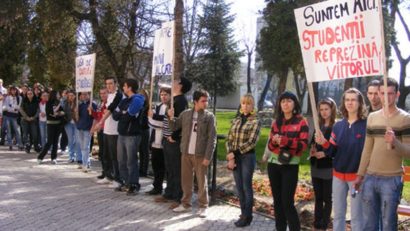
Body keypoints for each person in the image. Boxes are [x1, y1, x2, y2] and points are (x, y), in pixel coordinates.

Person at [353, 78, 410, 230]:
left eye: (391, 93)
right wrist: (360, 174)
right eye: (383, 93)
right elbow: (367, 148)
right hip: (370, 177)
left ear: (397, 94)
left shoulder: (405, 118)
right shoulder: (372, 117)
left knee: (388, 224)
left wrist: (394, 142)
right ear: (379, 93)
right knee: (369, 224)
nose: (387, 97)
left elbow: (408, 152)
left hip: (392, 179)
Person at [316, 88, 367, 231]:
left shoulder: (366, 125)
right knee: (338, 214)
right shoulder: (338, 126)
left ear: (359, 103)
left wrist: (361, 174)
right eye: (347, 100)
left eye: (353, 100)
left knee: (357, 216)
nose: (350, 103)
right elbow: (332, 151)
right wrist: (323, 143)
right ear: (343, 103)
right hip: (338, 176)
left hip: (356, 178)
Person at [262, 91, 309, 231]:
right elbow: (270, 146)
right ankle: (280, 228)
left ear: (294, 103)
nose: (285, 104)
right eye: (283, 101)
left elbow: (303, 145)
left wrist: (284, 141)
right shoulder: (276, 122)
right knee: (277, 201)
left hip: (290, 165)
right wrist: (275, 142)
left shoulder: (301, 121)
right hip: (273, 165)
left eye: (289, 101)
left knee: (287, 202)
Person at [168, 89, 216, 217]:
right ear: (195, 101)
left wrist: (208, 156)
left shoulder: (209, 117)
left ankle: (203, 206)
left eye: (207, 100)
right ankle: (185, 204)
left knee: (201, 182)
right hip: (186, 153)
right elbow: (174, 127)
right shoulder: (186, 114)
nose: (206, 103)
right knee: (186, 181)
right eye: (203, 101)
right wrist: (170, 116)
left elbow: (212, 138)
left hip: (200, 155)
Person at [155, 77, 191, 209]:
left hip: (173, 141)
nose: (173, 81)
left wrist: (173, 136)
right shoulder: (174, 100)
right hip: (167, 139)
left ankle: (178, 197)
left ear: (180, 85)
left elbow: (182, 122)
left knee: (176, 170)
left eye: (176, 80)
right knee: (169, 168)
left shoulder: (181, 101)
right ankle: (169, 193)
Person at [226, 94, 261, 227]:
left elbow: (252, 142)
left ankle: (248, 216)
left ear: (253, 106)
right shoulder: (236, 120)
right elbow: (229, 138)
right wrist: (230, 153)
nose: (245, 106)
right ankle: (243, 214)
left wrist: (234, 153)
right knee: (239, 188)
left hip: (247, 157)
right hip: (234, 157)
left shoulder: (256, 121)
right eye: (243, 103)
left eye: (248, 103)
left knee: (246, 187)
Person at [112, 78, 145, 195]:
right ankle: (126, 183)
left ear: (130, 87)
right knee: (121, 160)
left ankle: (134, 184)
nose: (123, 88)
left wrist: (123, 113)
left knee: (131, 161)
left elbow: (129, 117)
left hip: (132, 135)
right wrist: (123, 112)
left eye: (125, 86)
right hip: (121, 134)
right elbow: (115, 116)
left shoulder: (138, 100)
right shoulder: (124, 100)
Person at [310, 98, 337, 231]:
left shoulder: (336, 126)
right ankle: (317, 221)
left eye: (326, 109)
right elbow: (312, 143)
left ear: (332, 109)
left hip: (328, 166)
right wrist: (313, 150)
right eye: (321, 109)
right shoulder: (317, 125)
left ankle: (325, 222)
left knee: (327, 197)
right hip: (315, 164)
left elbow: (337, 148)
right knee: (318, 196)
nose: (324, 112)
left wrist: (325, 154)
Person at [93, 77, 123, 188]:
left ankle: (118, 179)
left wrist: (100, 122)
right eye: (107, 84)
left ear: (116, 84)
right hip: (107, 130)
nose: (109, 86)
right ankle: (108, 175)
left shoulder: (119, 95)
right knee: (106, 155)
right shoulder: (109, 96)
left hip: (115, 131)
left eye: (111, 83)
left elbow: (110, 110)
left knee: (115, 157)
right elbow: (106, 110)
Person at [146, 86, 171, 195]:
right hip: (155, 140)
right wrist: (154, 118)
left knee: (165, 166)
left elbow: (164, 122)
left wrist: (154, 117)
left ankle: (168, 189)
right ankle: (157, 186)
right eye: (162, 94)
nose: (163, 97)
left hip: (165, 141)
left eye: (166, 94)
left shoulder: (171, 107)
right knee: (156, 165)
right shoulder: (158, 106)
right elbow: (151, 121)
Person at [37, 90, 65, 164]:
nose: (59, 95)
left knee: (56, 142)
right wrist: (57, 113)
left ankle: (54, 157)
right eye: (58, 94)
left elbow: (62, 112)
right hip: (50, 124)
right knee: (49, 141)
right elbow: (50, 113)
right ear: (54, 94)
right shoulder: (49, 103)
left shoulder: (59, 102)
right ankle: (40, 157)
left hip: (58, 124)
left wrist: (59, 113)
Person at [76, 92, 96, 172]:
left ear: (89, 95)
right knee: (82, 146)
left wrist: (93, 127)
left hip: (88, 128)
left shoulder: (92, 104)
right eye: (82, 95)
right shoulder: (80, 105)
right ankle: (86, 162)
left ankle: (85, 164)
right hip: (80, 128)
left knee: (86, 147)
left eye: (85, 94)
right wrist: (76, 112)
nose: (84, 96)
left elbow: (95, 117)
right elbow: (77, 117)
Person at [92, 88, 108, 180]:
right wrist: (92, 112)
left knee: (106, 153)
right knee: (102, 152)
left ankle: (108, 172)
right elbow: (98, 116)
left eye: (104, 93)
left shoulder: (108, 104)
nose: (102, 95)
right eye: (101, 93)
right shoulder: (100, 104)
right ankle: (104, 171)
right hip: (100, 130)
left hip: (106, 130)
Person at [20, 88, 40, 153]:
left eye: (31, 94)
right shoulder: (24, 100)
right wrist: (26, 117)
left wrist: (34, 117)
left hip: (33, 119)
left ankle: (36, 146)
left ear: (33, 94)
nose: (29, 95)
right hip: (25, 120)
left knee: (35, 134)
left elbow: (38, 110)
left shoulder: (36, 101)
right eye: (28, 94)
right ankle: (27, 146)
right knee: (25, 134)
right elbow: (21, 110)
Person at [3, 86, 23, 150]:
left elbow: (18, 107)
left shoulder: (19, 98)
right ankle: (10, 144)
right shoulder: (7, 97)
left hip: (14, 117)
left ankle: (20, 144)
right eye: (12, 90)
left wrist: (11, 107)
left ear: (16, 91)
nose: (13, 91)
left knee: (17, 130)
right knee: (8, 130)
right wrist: (12, 108)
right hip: (7, 116)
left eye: (14, 90)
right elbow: (6, 106)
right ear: (10, 91)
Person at [62, 90, 80, 163]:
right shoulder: (64, 103)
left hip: (76, 123)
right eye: (69, 95)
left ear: (75, 96)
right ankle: (71, 156)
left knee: (78, 141)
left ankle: (79, 157)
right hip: (68, 123)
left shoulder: (78, 103)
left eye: (72, 95)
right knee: (70, 140)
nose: (71, 97)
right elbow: (62, 111)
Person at [137, 89, 150, 177]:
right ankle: (140, 169)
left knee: (144, 151)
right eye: (140, 95)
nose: (142, 97)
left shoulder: (148, 106)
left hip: (145, 129)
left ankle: (144, 170)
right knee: (140, 151)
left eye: (143, 95)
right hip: (138, 129)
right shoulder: (139, 105)